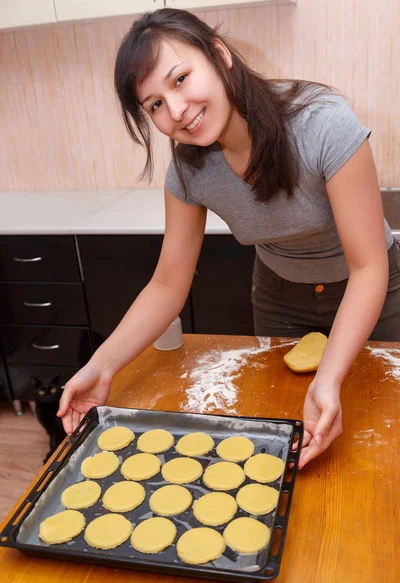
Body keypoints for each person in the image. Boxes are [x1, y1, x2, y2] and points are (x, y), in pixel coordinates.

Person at [57, 8, 400, 469]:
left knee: (375, 432)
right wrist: (102, 366)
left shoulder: (321, 121)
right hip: (279, 295)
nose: (176, 111)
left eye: (180, 79)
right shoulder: (188, 171)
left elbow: (368, 266)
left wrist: (329, 377)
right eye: (154, 104)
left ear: (219, 55)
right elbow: (167, 285)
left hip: (373, 290)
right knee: (290, 427)